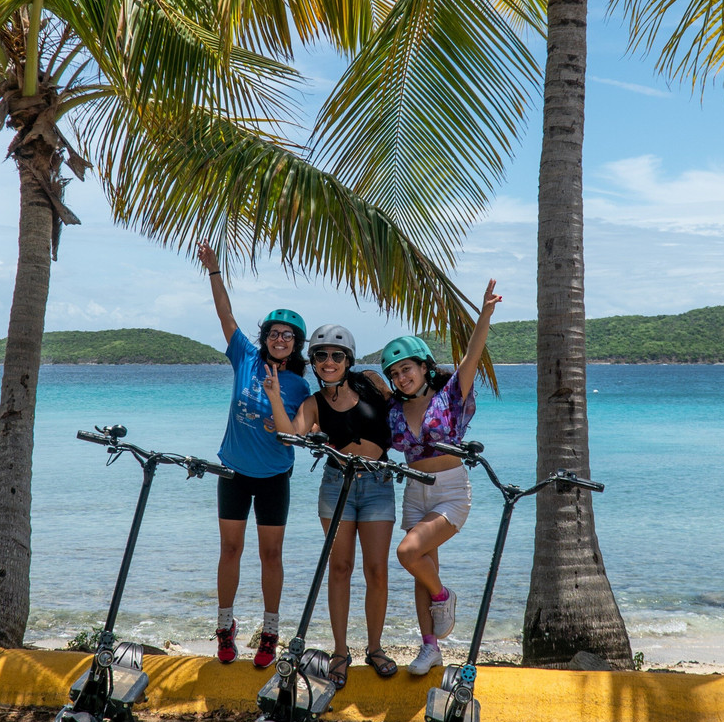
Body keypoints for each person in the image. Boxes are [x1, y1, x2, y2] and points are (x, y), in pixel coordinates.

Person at [198, 239, 311, 668]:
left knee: (271, 555)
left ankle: (270, 633)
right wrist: (214, 270)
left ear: (296, 343)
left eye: (289, 336)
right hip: (233, 471)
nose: (280, 339)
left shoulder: (302, 387)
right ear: (265, 337)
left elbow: (293, 437)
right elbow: (225, 314)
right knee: (230, 550)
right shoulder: (245, 356)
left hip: (274, 478)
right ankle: (225, 628)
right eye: (274, 333)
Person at [265, 324, 398, 689]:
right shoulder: (313, 403)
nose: (329, 362)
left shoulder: (371, 382)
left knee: (376, 570)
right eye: (321, 355)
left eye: (337, 356)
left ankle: (374, 647)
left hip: (378, 485)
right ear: (313, 360)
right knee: (339, 568)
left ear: (348, 360)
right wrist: (275, 396)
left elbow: (405, 406)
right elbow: (289, 435)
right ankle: (340, 651)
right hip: (336, 486)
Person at [382, 280, 502, 675]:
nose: (402, 377)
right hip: (414, 492)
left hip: (450, 490)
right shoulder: (395, 411)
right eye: (395, 373)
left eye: (408, 369)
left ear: (424, 366)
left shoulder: (449, 395)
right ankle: (430, 647)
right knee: (419, 564)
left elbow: (471, 355)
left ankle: (444, 595)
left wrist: (483, 314)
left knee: (406, 553)